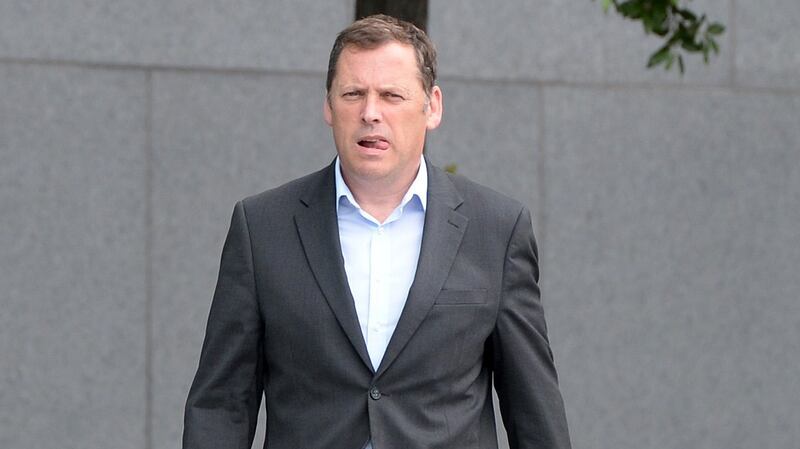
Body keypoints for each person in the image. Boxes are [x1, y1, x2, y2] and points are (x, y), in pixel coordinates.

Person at [183, 14, 571, 449]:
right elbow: (221, 404)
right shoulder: (262, 228)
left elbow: (533, 409)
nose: (370, 113)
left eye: (391, 95)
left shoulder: (496, 230)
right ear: (329, 106)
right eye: (353, 94)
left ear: (433, 106)